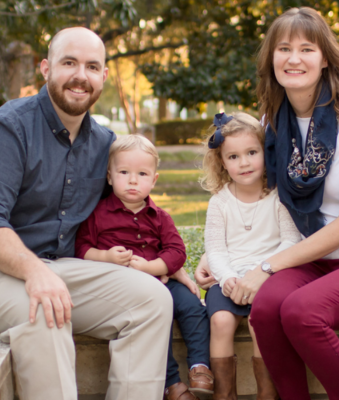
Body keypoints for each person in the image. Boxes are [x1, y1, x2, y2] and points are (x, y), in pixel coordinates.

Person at [228, 7, 339, 400]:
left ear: (325, 59)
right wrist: (218, 252)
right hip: (316, 258)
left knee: (302, 312)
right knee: (267, 309)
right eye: (283, 48)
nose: (293, 58)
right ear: (271, 58)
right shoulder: (274, 120)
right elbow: (260, 198)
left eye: (307, 49)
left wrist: (266, 267)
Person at [0, 27, 173, 400]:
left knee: (153, 300)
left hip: (63, 267)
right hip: (8, 270)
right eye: (69, 63)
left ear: (104, 77)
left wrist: (171, 260)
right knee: (47, 312)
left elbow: (136, 208)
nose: (81, 76)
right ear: (45, 69)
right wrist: (34, 273)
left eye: (92, 66)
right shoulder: (11, 127)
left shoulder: (105, 144)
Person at [75, 134, 214, 400]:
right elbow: (81, 248)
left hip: (161, 280)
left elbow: (176, 252)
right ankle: (171, 383)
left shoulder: (160, 217)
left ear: (154, 179)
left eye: (142, 173)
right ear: (109, 176)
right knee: (152, 322)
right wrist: (105, 257)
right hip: (121, 289)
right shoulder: (97, 214)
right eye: (124, 172)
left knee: (193, 307)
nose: (132, 180)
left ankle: (200, 367)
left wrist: (151, 267)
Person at [200, 112, 301, 400]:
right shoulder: (219, 202)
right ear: (222, 162)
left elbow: (291, 241)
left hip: (268, 276)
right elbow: (216, 249)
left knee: (262, 324)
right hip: (229, 277)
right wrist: (228, 276)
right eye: (233, 157)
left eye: (252, 152)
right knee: (220, 321)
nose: (244, 163)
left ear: (265, 152)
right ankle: (224, 393)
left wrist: (260, 272)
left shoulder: (279, 196)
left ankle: (267, 393)